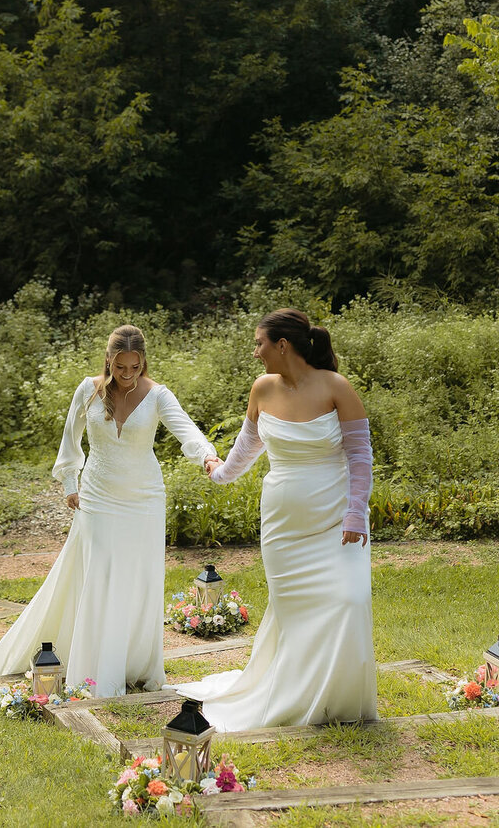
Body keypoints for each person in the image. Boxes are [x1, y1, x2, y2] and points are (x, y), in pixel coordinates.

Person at [0, 324, 218, 697]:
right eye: (121, 368)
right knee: (100, 574)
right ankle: (95, 668)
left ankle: (133, 662)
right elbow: (70, 438)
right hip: (99, 496)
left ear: (143, 362)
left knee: (138, 577)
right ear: (109, 361)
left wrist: (207, 456)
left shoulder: (158, 396)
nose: (128, 375)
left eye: (135, 367)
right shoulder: (89, 390)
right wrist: (71, 482)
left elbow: (188, 430)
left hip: (144, 498)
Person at [172, 308, 378, 729]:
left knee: (349, 598)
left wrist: (356, 511)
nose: (255, 352)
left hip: (337, 517)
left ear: (282, 345)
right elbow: (249, 445)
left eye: (259, 343)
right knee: (294, 609)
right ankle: (293, 693)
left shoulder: (337, 387)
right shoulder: (262, 388)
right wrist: (221, 472)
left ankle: (338, 698)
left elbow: (360, 456)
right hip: (283, 523)